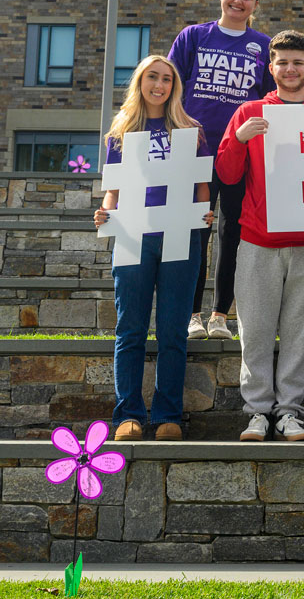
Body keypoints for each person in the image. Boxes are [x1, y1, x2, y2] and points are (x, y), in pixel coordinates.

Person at [215, 30, 304, 442]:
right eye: (282, 62)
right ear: (271, 67)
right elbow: (226, 174)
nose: (290, 69)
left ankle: (290, 412)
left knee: (299, 333)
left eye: (298, 62)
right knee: (255, 332)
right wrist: (239, 141)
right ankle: (257, 412)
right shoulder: (249, 112)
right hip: (258, 241)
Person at [95, 55, 214, 441]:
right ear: (140, 82)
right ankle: (128, 414)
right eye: (152, 77)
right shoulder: (122, 131)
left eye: (166, 79)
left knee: (172, 332)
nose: (159, 85)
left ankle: (168, 416)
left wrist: (205, 213)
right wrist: (105, 213)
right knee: (130, 329)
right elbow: (113, 190)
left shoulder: (190, 129)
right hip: (133, 233)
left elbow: (201, 187)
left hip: (181, 233)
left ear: (174, 86)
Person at [169, 0, 274, 342]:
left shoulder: (263, 46)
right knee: (194, 233)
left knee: (232, 235)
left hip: (240, 156)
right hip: (194, 153)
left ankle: (219, 315)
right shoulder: (193, 36)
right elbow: (171, 87)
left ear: (255, 6)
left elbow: (270, 105)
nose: (239, 1)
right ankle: (191, 314)